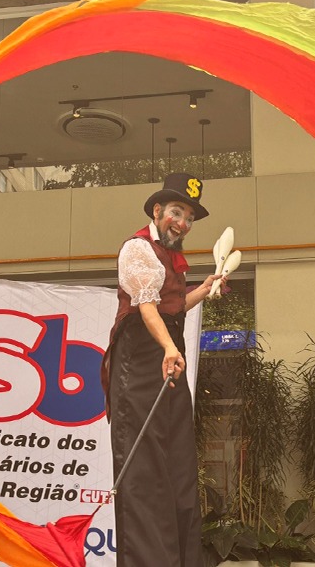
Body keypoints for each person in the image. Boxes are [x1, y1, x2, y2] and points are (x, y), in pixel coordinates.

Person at [102, 172, 225, 567]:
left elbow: (172, 307)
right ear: (157, 211)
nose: (183, 223)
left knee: (178, 467)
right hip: (139, 368)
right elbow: (147, 307)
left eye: (189, 217)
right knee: (145, 473)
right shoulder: (137, 249)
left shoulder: (171, 260)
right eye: (177, 212)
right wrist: (170, 347)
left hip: (166, 366)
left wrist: (203, 289)